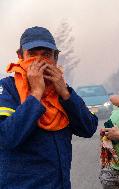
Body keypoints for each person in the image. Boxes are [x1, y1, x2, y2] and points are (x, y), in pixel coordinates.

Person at [0, 26, 98, 188]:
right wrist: (36, 93)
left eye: (46, 55)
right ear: (20, 57)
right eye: (32, 54)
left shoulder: (61, 90)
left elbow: (88, 128)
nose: (39, 61)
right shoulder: (7, 89)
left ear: (55, 58)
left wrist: (66, 94)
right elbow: (7, 137)